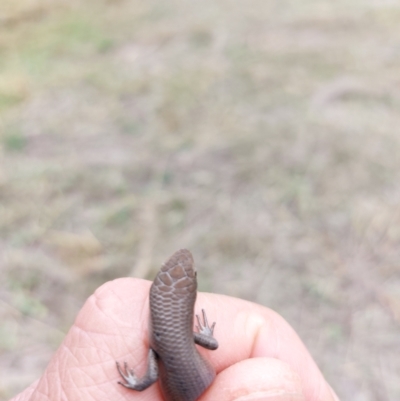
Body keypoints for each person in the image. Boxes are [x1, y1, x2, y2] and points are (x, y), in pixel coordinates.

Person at [10, 277, 340, 401]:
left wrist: (137, 383)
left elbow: (151, 376)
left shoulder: (157, 349)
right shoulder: (172, 342)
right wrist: (207, 333)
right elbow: (211, 345)